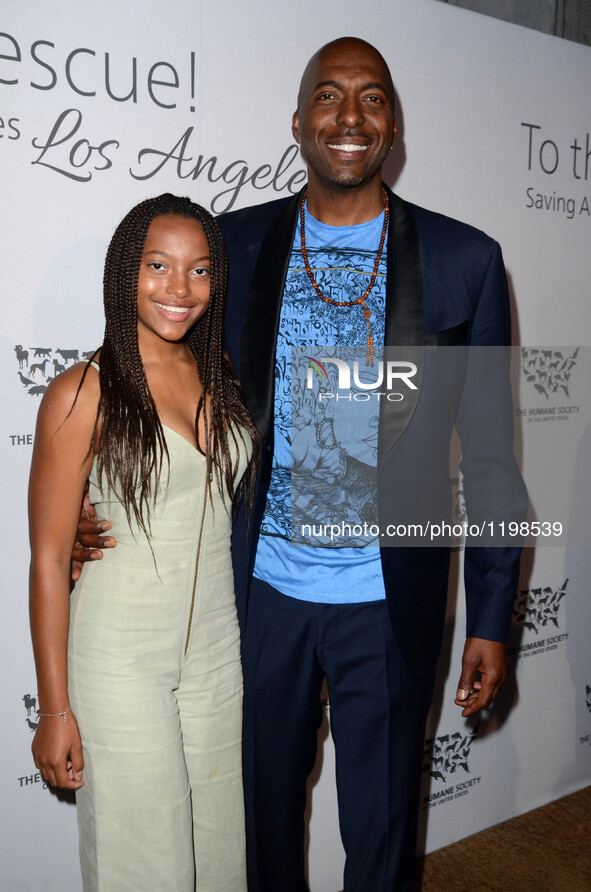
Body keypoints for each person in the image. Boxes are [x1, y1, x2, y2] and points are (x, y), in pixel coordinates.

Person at [74, 39, 527, 892]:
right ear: (297, 121)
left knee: (383, 835)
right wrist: (82, 506)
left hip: (390, 604)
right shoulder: (234, 248)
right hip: (256, 600)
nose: (348, 117)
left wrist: (493, 617)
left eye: (371, 99)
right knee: (259, 831)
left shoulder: (466, 262)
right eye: (328, 96)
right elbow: (148, 373)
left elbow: (495, 462)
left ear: (392, 125)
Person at [29, 194, 258, 891]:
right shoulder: (82, 392)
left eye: (198, 270)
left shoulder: (217, 372)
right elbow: (46, 557)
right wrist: (54, 710)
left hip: (218, 651)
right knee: (143, 864)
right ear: (125, 271)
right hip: (119, 659)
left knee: (220, 853)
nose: (177, 288)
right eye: (157, 265)